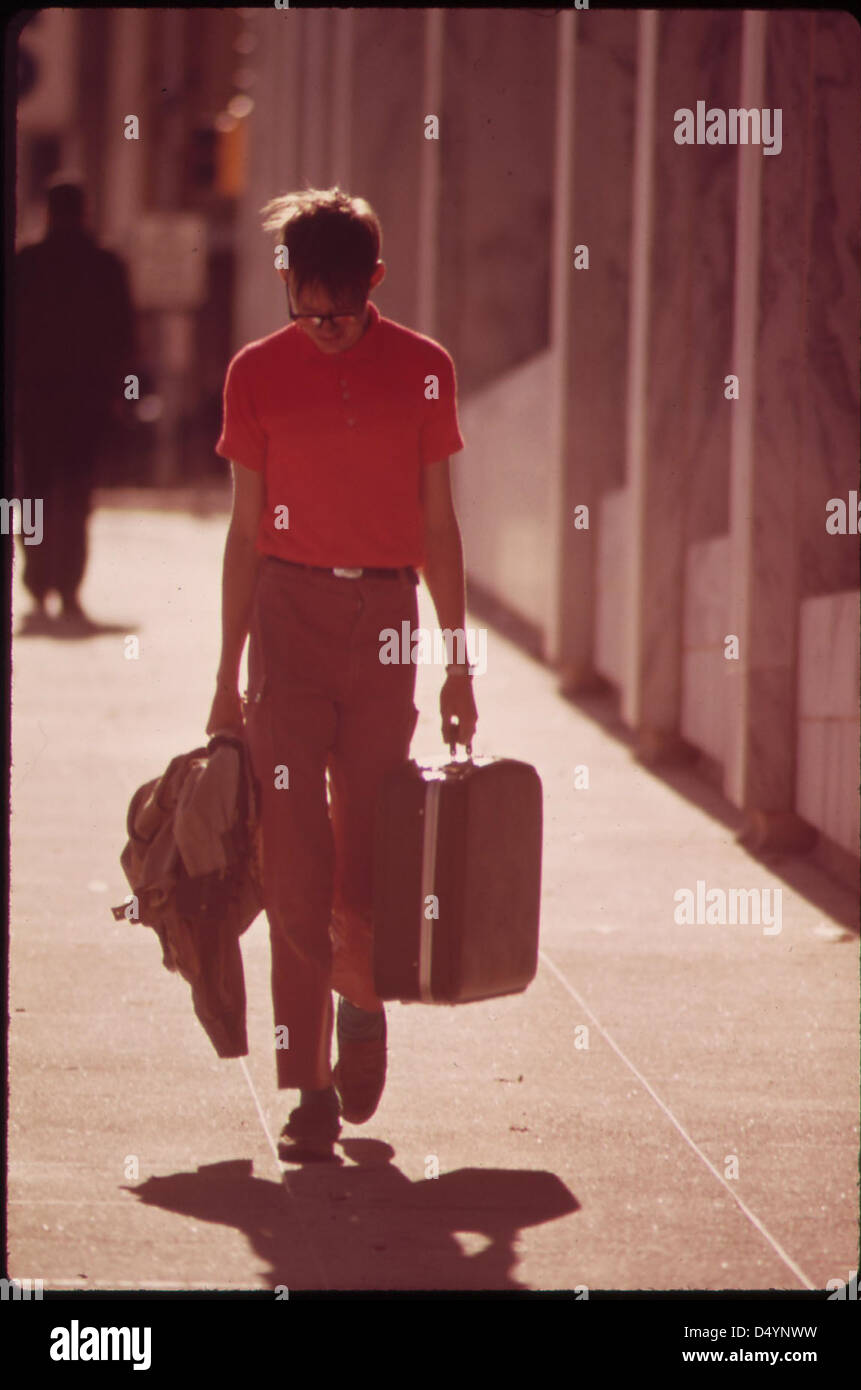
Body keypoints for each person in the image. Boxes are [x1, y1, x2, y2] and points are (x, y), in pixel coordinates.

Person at [207, 186, 477, 1159]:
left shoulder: (424, 370)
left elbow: (441, 526)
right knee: (294, 861)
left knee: (362, 856)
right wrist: (223, 673)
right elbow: (243, 534)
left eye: (340, 310)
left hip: (389, 625)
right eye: (304, 307)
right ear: (287, 283)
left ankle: (360, 1002)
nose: (321, 328)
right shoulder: (255, 373)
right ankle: (307, 1085)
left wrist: (457, 662)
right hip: (287, 616)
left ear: (375, 284)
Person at [13, 179, 136, 626]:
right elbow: (126, 339)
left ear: (47, 212)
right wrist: (122, 397)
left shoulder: (26, 263)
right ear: (86, 211)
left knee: (33, 493)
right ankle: (67, 588)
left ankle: (38, 581)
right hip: (87, 401)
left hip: (34, 400)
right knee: (76, 495)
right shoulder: (106, 266)